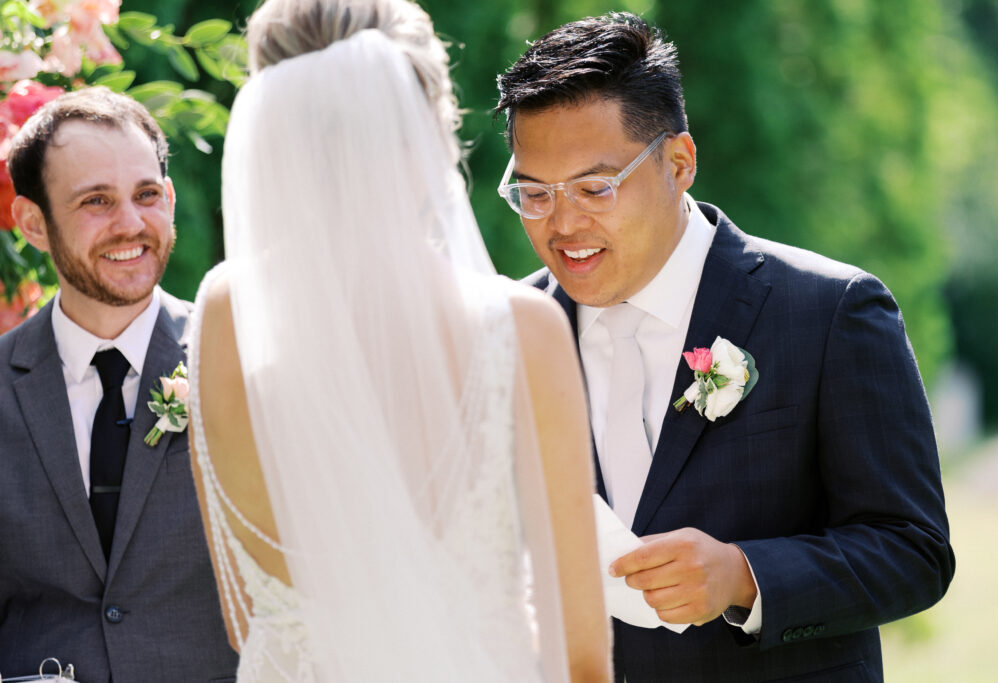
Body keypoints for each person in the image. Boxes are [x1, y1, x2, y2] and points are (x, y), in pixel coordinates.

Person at [496, 12, 954, 682]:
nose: (562, 224)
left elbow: (914, 551)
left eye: (594, 189)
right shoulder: (508, 332)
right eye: (534, 194)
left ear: (678, 162)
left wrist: (744, 575)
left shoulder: (831, 312)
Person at [187, 0, 610, 680]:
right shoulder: (521, 330)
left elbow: (244, 617)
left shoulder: (223, 312)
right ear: (430, 130)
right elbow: (581, 656)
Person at [0, 87, 237, 681]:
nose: (131, 223)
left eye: (147, 194)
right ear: (33, 222)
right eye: (96, 201)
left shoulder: (240, 364)